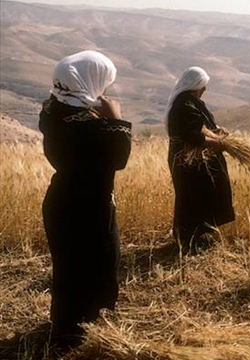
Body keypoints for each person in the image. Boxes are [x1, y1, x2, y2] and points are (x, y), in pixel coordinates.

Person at [39, 50, 131, 345]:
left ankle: (68, 326)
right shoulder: (87, 124)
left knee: (70, 269)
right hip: (88, 206)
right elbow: (118, 159)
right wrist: (116, 121)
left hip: (61, 200)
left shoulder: (53, 109)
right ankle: (75, 336)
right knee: (96, 264)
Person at [166, 66, 235, 255]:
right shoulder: (185, 105)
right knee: (191, 197)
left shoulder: (191, 101)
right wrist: (220, 144)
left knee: (201, 196)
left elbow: (203, 126)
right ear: (195, 86)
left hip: (197, 161)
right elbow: (193, 136)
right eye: (203, 86)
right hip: (188, 161)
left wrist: (217, 131)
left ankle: (197, 235)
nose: (205, 90)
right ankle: (188, 240)